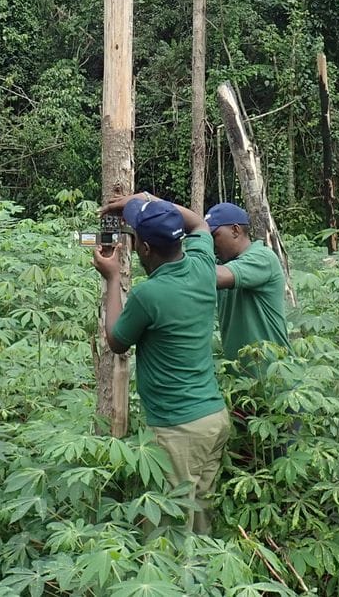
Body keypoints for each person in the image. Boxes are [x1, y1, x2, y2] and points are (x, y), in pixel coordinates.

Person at [94, 191, 230, 533]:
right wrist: (149, 202)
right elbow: (198, 221)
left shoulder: (148, 295)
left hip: (178, 428)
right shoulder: (202, 266)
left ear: (144, 249)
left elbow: (116, 341)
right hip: (212, 418)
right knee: (200, 513)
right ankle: (203, 575)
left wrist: (112, 280)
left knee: (171, 524)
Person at [205, 202, 291, 363]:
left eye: (214, 236)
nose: (210, 243)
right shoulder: (222, 263)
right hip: (239, 378)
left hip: (273, 375)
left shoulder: (263, 257)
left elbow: (215, 276)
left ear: (235, 230)